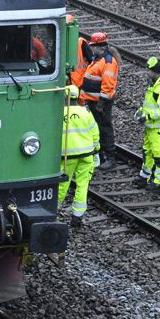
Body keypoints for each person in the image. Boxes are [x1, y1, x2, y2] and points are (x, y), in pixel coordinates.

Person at [59, 85, 99, 228]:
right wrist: (97, 150)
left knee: (62, 184)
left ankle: (53, 211)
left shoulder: (59, 113)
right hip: (87, 155)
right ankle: (77, 217)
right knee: (83, 185)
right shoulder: (86, 112)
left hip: (67, 156)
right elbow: (95, 132)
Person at [80, 32, 119, 169]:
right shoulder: (98, 58)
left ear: (99, 47)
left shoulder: (108, 62)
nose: (91, 48)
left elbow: (108, 85)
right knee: (97, 128)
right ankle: (101, 154)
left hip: (100, 103)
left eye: (93, 46)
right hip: (93, 101)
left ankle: (110, 157)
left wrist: (101, 103)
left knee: (104, 128)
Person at [136, 56, 160, 189]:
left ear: (154, 72)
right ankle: (145, 176)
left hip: (158, 126)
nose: (147, 72)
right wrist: (142, 111)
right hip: (151, 125)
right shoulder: (155, 84)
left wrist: (146, 117)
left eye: (148, 70)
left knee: (158, 154)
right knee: (148, 151)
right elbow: (151, 104)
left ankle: (159, 181)